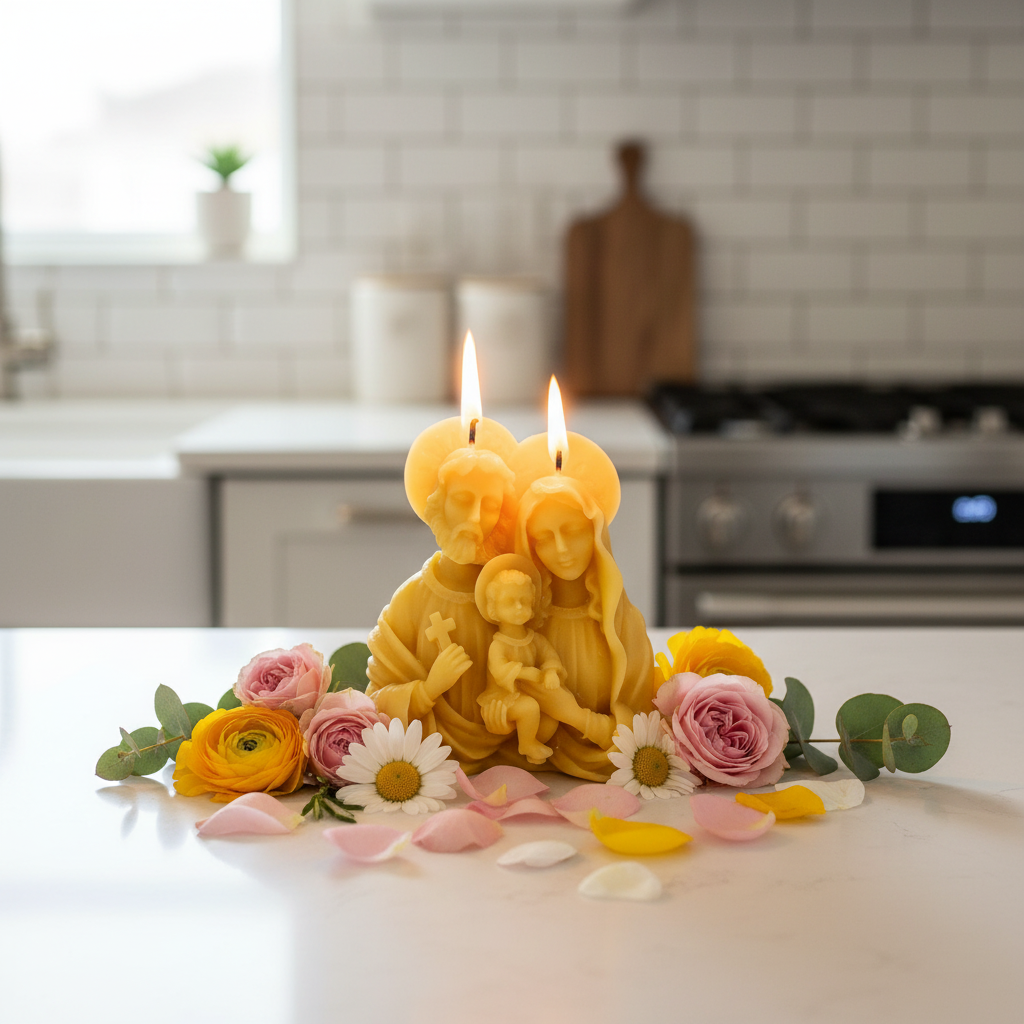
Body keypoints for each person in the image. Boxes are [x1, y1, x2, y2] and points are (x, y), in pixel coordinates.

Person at [365, 418, 521, 771]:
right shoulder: (410, 603)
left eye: (491, 505)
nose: (475, 517)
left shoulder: (514, 594)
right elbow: (375, 702)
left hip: (508, 767)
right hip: (430, 772)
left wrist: (509, 703)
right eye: (463, 500)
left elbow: (541, 669)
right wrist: (427, 690)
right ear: (438, 503)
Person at [511, 436, 658, 781]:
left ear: (595, 532)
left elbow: (640, 734)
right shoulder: (521, 621)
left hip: (607, 783)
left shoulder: (624, 626)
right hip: (532, 779)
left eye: (573, 531)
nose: (561, 549)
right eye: (544, 538)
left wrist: (574, 716)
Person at [473, 553, 584, 765]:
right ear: (493, 609)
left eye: (524, 602)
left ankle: (531, 747)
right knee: (529, 707)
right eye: (509, 602)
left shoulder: (535, 640)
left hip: (534, 694)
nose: (518, 608)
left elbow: (549, 656)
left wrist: (551, 671)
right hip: (504, 696)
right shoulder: (499, 644)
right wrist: (525, 672)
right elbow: (499, 670)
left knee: (551, 715)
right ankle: (526, 744)